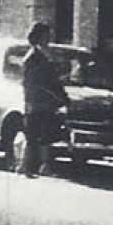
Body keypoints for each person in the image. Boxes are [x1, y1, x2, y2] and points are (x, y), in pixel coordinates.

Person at [20, 21, 68, 178]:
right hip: (39, 101)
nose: (48, 39)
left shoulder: (41, 55)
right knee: (37, 134)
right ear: (38, 37)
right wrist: (58, 96)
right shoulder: (34, 58)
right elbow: (36, 82)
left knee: (40, 133)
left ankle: (33, 165)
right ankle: (33, 165)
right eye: (46, 36)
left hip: (41, 101)